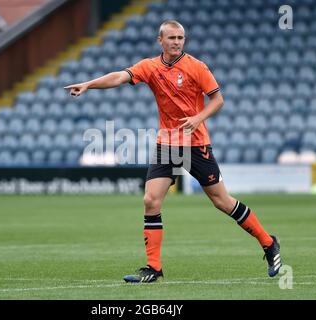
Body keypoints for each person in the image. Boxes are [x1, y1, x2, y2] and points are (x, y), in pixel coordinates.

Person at [65, 20, 282, 283]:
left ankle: (269, 243)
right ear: (161, 41)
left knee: (222, 202)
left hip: (196, 144)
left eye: (181, 37)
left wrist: (198, 118)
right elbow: (120, 77)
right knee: (150, 201)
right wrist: (88, 84)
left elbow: (218, 99)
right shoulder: (150, 67)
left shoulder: (196, 67)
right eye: (172, 38)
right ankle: (154, 268)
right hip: (167, 143)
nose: (177, 42)